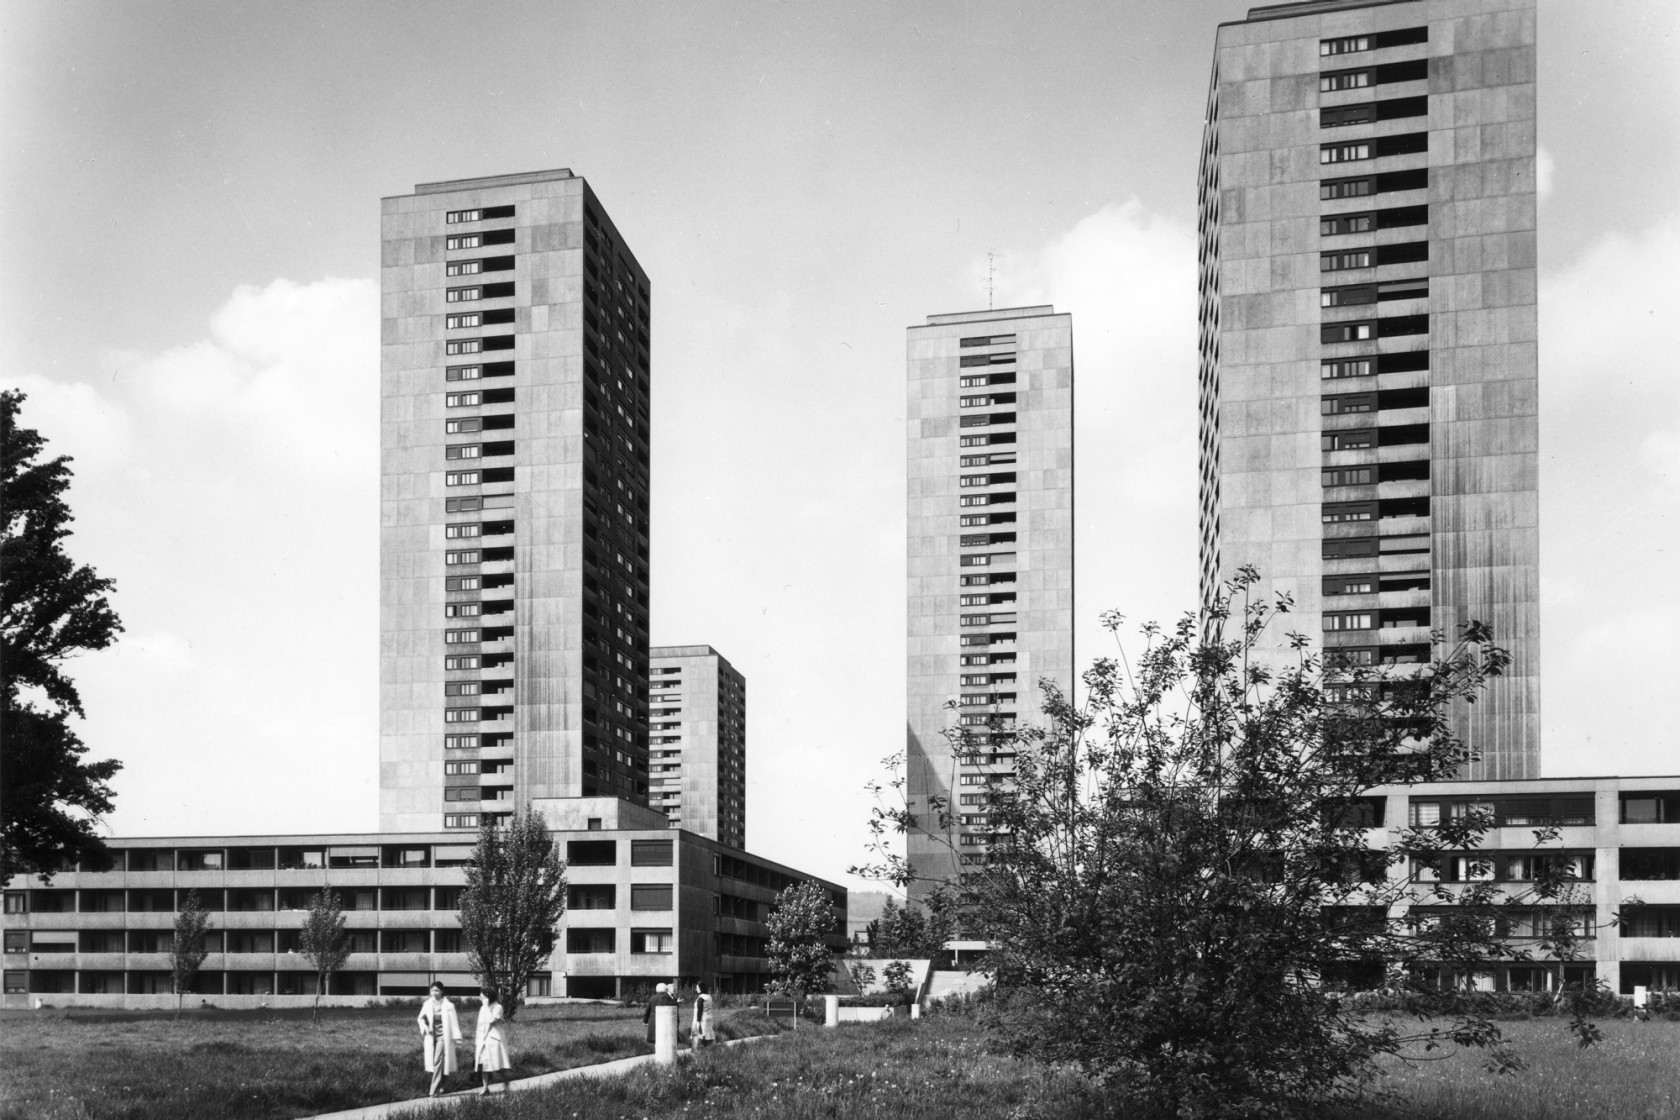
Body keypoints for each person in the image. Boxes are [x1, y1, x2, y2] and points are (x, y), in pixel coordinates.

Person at [417, 982, 462, 1097]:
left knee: (437, 1061)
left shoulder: (449, 1006)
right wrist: (425, 1027)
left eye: (436, 990)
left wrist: (457, 1037)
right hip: (432, 1036)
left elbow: (454, 1022)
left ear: (442, 991)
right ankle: (442, 1086)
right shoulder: (427, 1004)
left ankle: (433, 1090)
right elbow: (420, 1018)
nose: (434, 993)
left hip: (444, 1037)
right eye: (432, 990)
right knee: (438, 1063)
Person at [474, 985, 512, 1095]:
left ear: (488, 997)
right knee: (484, 1065)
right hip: (483, 1040)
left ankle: (506, 1085)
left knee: (499, 1065)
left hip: (494, 1040)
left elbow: (492, 1020)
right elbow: (480, 1024)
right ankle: (485, 1088)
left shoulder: (498, 1007)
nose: (481, 999)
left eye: (482, 997)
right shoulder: (483, 1008)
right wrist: (478, 1039)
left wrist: (487, 1007)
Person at [691, 981, 715, 1048]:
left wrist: (698, 1022)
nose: (696, 989)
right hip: (709, 1018)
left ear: (701, 988)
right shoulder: (709, 996)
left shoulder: (701, 998)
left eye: (697, 988)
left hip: (702, 1019)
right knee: (708, 1036)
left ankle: (695, 1050)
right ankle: (709, 1049)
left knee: (698, 1035)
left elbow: (699, 1010)